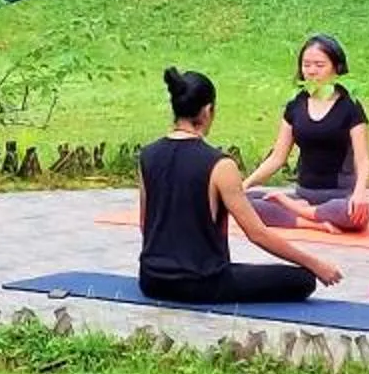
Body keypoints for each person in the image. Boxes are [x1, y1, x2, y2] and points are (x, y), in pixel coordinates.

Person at [138, 65, 344, 303]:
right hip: (202, 284)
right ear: (208, 111)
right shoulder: (220, 165)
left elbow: (145, 224)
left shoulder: (147, 155)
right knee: (303, 279)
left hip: (152, 281)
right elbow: (257, 234)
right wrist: (315, 264)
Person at [242, 34, 369, 234]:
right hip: (303, 195)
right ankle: (313, 222)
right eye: (306, 65)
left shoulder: (350, 106)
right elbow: (277, 158)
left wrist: (360, 193)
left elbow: (363, 160)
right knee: (244, 202)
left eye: (319, 65)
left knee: (354, 214)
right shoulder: (295, 105)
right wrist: (244, 185)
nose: (312, 71)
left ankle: (298, 212)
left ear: (336, 68)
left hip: (338, 198)